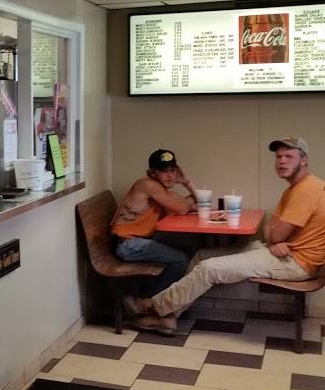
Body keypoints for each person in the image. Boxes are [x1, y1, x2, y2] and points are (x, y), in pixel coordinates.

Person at [130, 137, 325, 334]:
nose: (282, 161)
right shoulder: (294, 189)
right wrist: (275, 239)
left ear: (304, 160)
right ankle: (169, 316)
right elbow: (269, 230)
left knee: (209, 268)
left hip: (296, 262)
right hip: (277, 252)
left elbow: (275, 234)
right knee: (201, 256)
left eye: (289, 156)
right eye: (279, 157)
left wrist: (276, 238)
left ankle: (153, 306)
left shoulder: (307, 190)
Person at [111, 149, 198, 297]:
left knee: (188, 246)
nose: (170, 175)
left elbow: (198, 204)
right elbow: (183, 208)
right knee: (180, 260)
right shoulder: (148, 185)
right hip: (128, 244)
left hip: (136, 241)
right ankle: (149, 300)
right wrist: (188, 199)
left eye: (173, 170)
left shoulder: (160, 190)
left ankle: (158, 297)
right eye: (164, 171)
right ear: (152, 173)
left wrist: (187, 183)